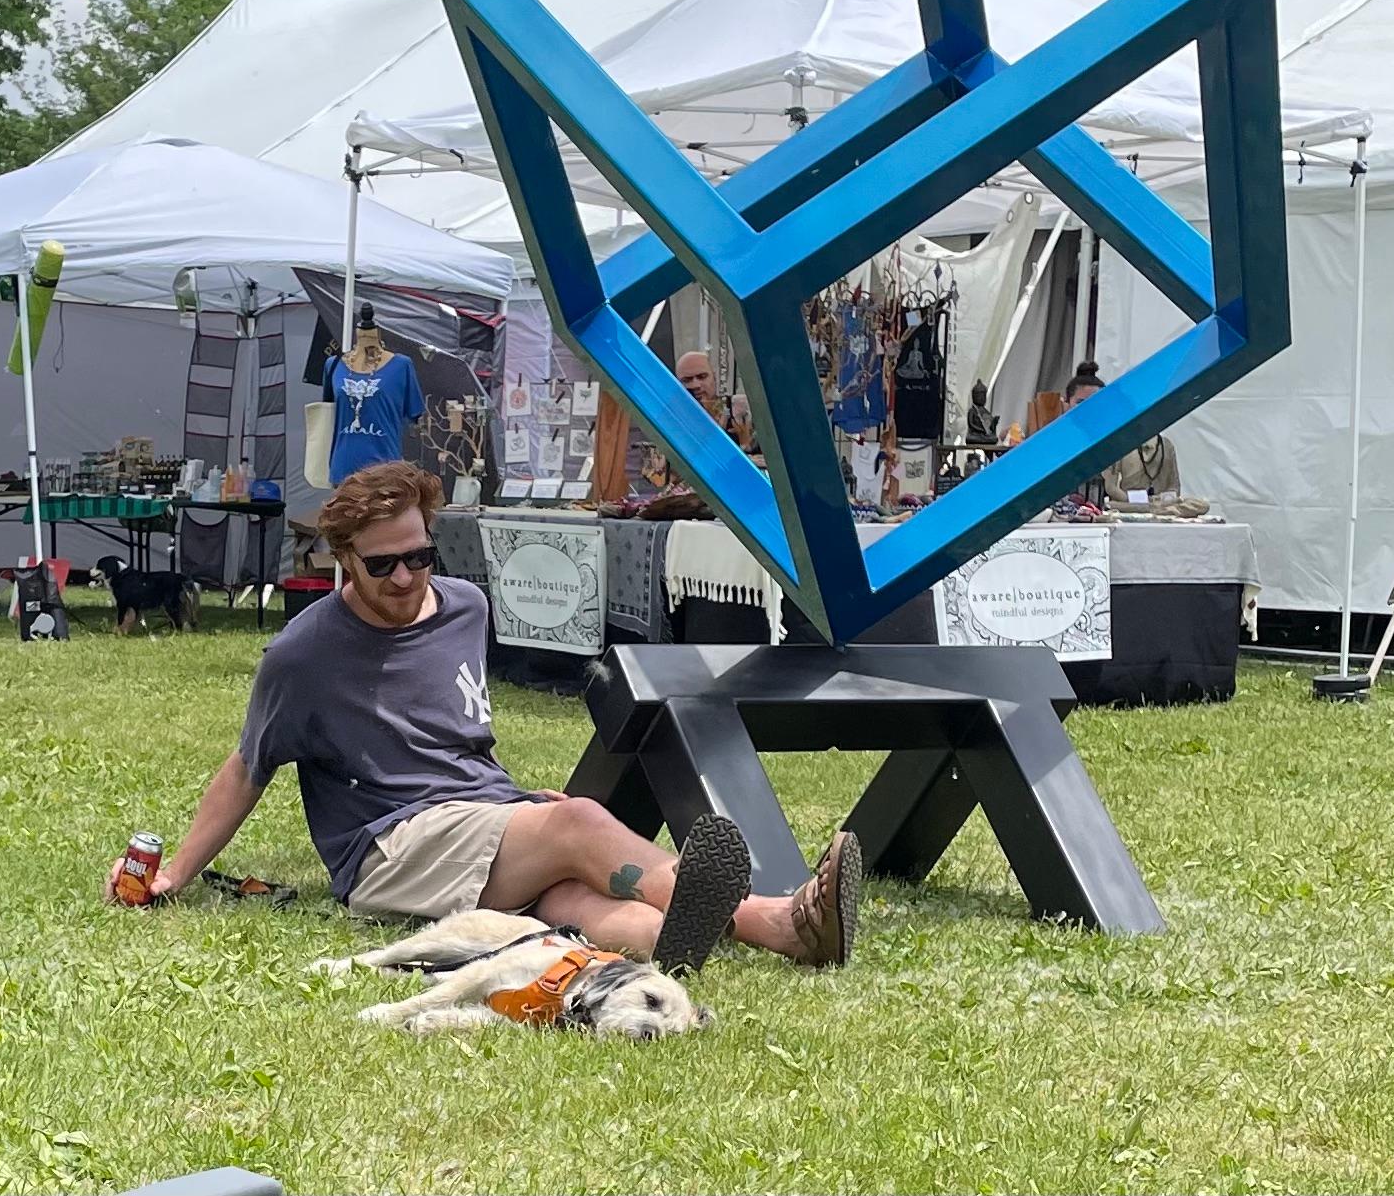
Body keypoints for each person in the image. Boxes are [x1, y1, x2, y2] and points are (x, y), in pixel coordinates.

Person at [108, 459, 860, 971]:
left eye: (419, 555)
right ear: (342, 558)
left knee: (574, 903)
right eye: (382, 564)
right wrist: (174, 871)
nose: (405, 576)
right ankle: (775, 919)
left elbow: (458, 748)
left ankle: (675, 944)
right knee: (580, 825)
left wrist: (518, 810)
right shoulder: (301, 656)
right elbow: (248, 768)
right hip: (391, 846)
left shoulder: (465, 605)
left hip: (483, 818)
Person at [322, 305, 424, 484]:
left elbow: (415, 415)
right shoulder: (333, 365)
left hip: (386, 472)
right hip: (343, 471)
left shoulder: (401, 366)